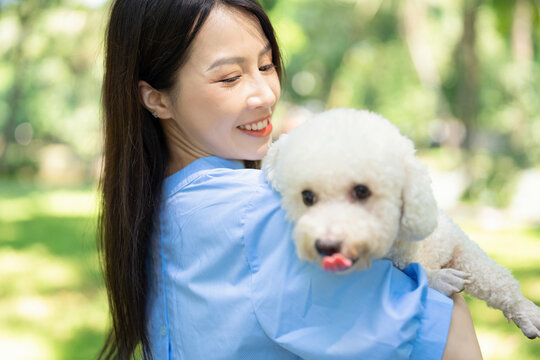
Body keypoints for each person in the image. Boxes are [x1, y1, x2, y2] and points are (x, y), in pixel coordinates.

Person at [98, 0, 484, 359]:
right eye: (230, 77)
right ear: (156, 99)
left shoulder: (156, 206)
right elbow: (440, 331)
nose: (266, 94)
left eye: (266, 66)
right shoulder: (261, 212)